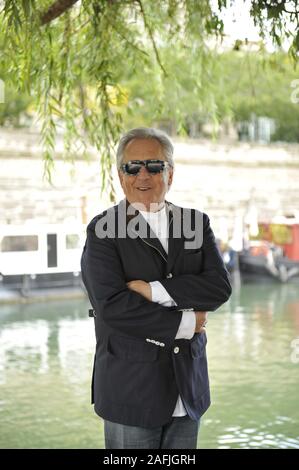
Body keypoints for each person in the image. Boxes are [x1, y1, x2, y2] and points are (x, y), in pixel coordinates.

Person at [81, 127, 232, 449]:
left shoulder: (195, 223)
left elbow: (219, 288)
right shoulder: (103, 230)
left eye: (154, 166)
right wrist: (187, 322)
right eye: (132, 167)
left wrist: (153, 291)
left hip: (189, 386)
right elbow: (112, 305)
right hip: (131, 389)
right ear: (121, 176)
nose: (143, 176)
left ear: (171, 174)